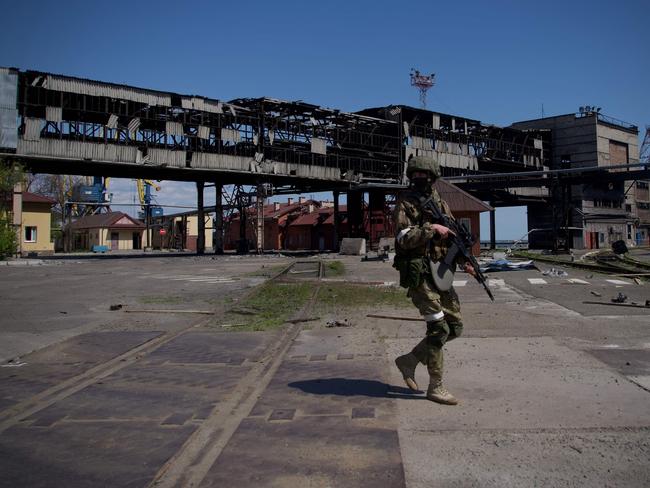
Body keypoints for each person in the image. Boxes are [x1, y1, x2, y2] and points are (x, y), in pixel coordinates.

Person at [392, 155, 475, 405]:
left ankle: (409, 360)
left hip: (441, 272)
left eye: (423, 176)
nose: (419, 179)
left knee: (455, 327)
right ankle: (436, 387)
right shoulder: (405, 203)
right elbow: (402, 238)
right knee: (438, 328)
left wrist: (465, 261)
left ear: (432, 177)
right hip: (420, 275)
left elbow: (451, 238)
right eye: (415, 175)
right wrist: (430, 230)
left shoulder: (440, 201)